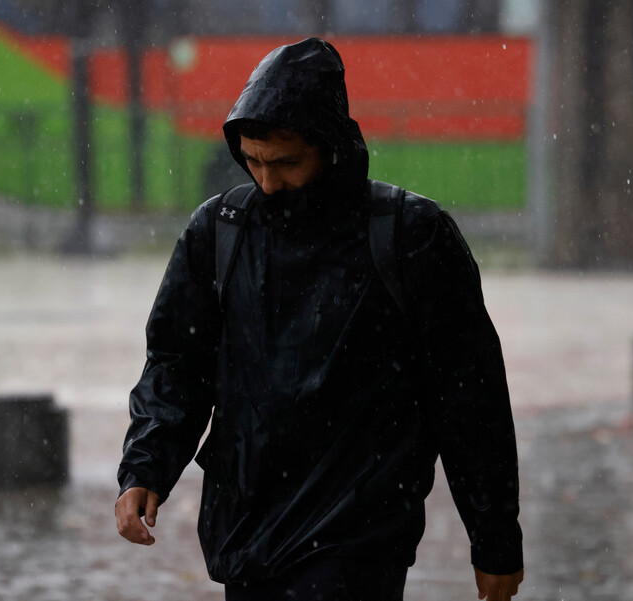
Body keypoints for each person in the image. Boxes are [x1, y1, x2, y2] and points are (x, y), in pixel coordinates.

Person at [116, 37, 524, 601]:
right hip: (248, 526)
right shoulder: (220, 232)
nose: (267, 181)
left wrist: (495, 536)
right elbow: (178, 364)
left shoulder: (411, 237)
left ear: (330, 147)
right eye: (253, 161)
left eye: (286, 163)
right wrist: (145, 468)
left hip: (359, 530)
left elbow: (468, 398)